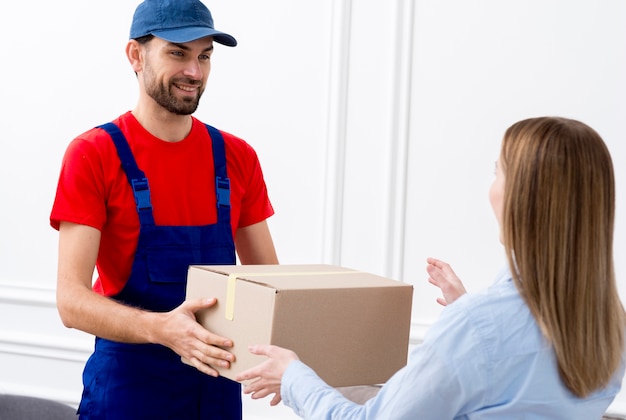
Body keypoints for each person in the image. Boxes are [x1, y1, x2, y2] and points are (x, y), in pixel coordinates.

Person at [235, 117, 626, 419]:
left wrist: (293, 378)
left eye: (498, 171)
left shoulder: (478, 326)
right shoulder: (610, 323)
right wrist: (467, 312)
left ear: (521, 199)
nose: (491, 186)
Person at [50, 0, 278, 418]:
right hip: (128, 394)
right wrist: (163, 330)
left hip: (216, 393)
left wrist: (289, 358)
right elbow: (70, 301)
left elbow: (269, 285)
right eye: (178, 53)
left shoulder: (237, 156)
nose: (195, 71)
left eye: (204, 55)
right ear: (136, 56)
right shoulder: (94, 154)